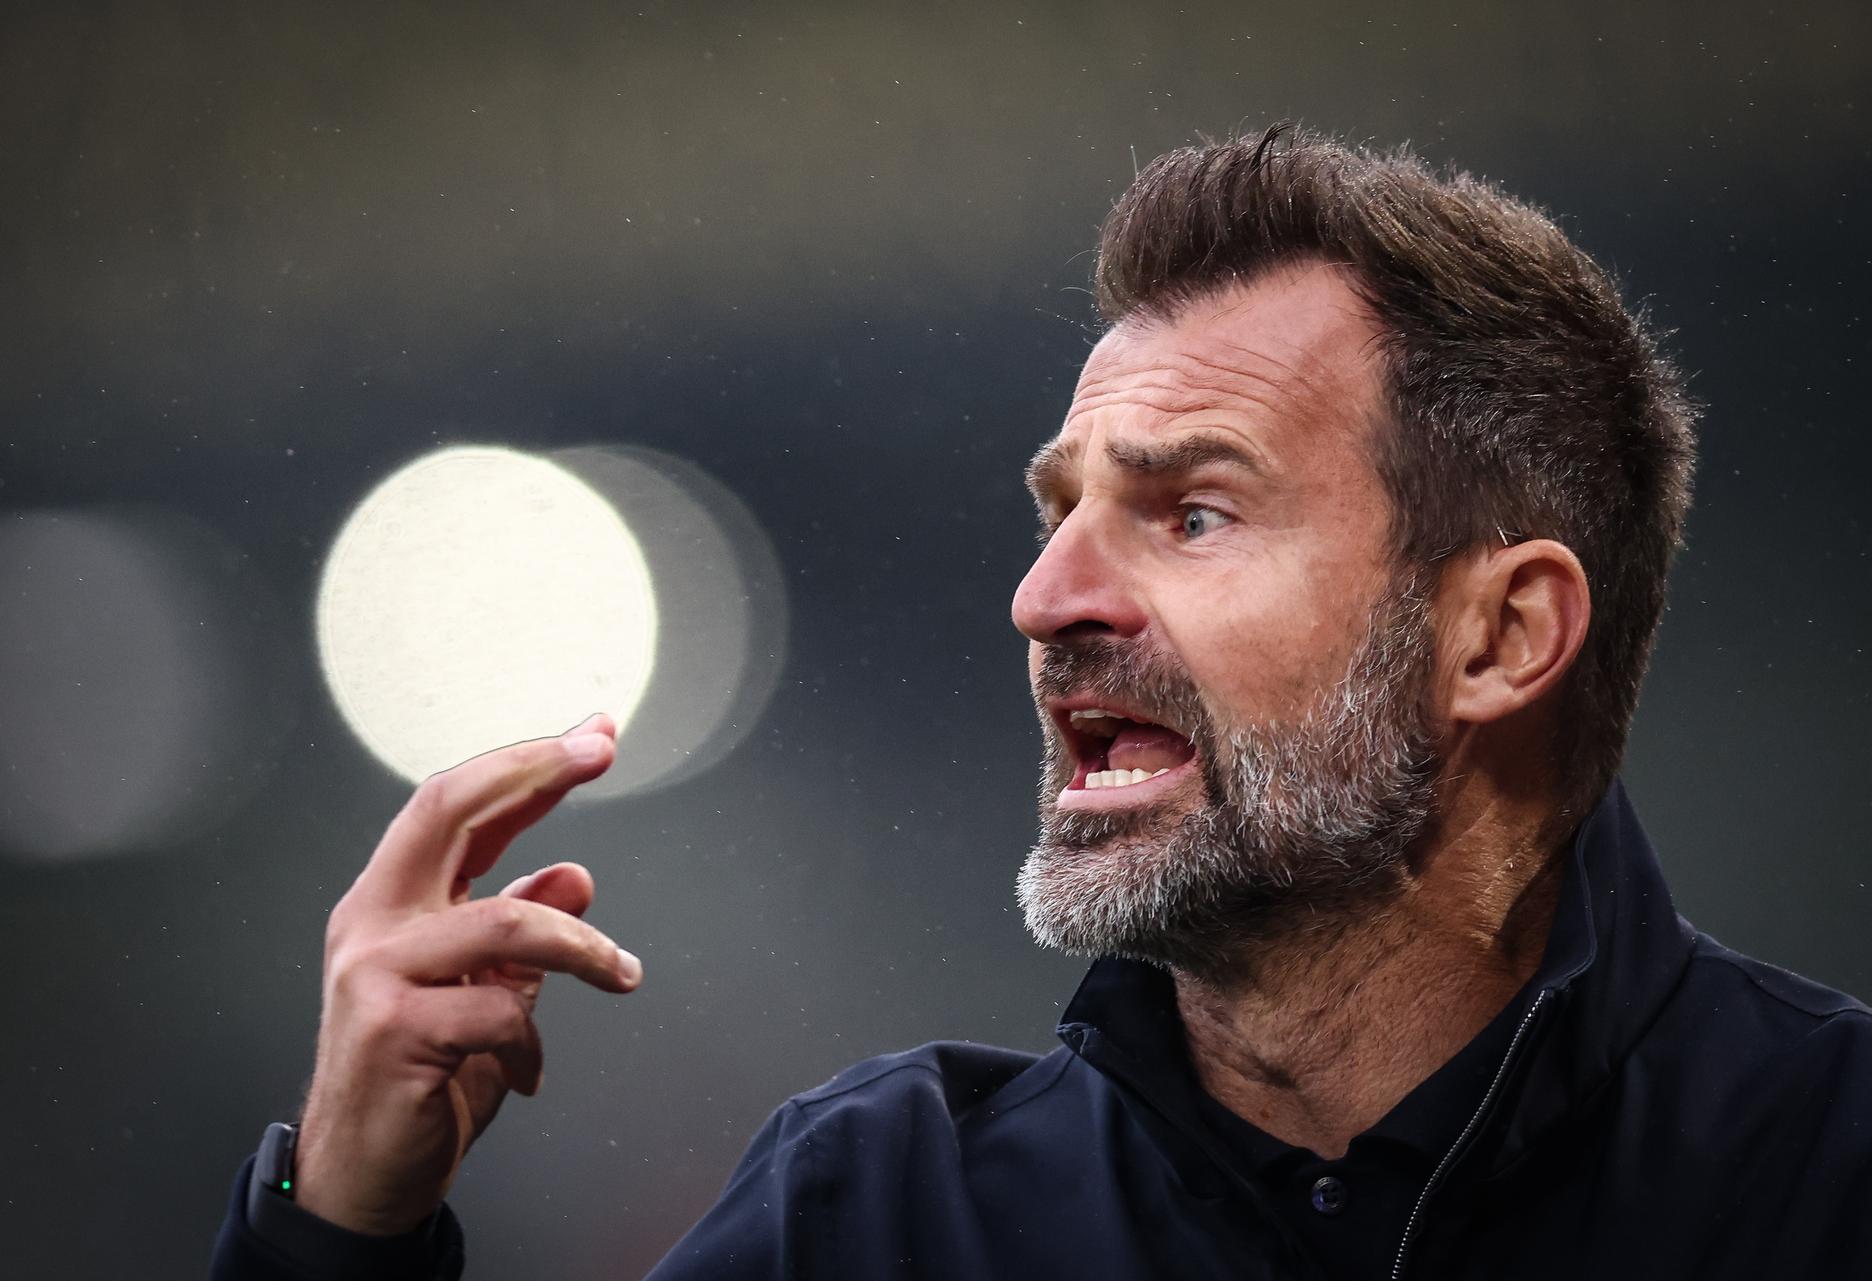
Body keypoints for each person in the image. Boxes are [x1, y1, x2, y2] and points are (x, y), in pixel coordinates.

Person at [209, 126, 1872, 1280]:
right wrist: (335, 1232)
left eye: (1192, 511)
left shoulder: (1828, 1171)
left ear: (1501, 637)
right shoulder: (877, 1218)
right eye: (1058, 510)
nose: (1046, 599)